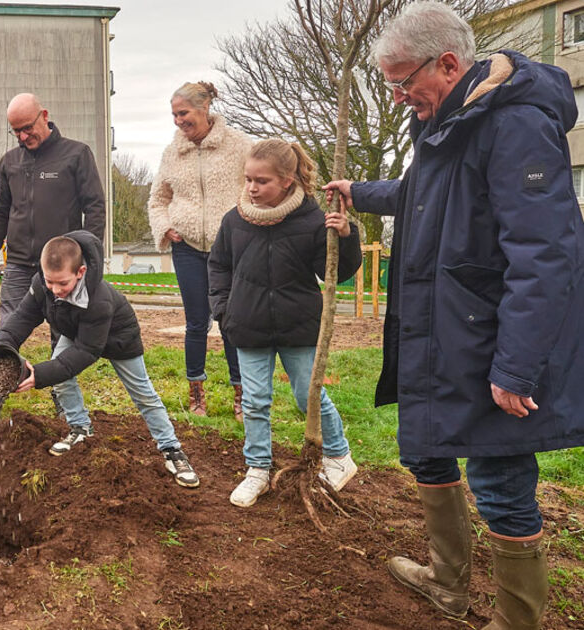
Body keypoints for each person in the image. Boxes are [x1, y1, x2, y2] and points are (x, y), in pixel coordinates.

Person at [322, 3, 584, 627]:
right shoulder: (450, 121)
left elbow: (546, 255)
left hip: (488, 337)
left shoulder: (514, 123)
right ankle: (448, 583)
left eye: (402, 82)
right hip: (439, 331)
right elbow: (427, 197)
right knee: (428, 451)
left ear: (447, 64)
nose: (394, 97)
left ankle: (517, 620)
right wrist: (360, 193)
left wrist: (517, 367)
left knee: (497, 480)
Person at [209, 140, 361, 507]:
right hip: (248, 326)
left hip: (298, 326)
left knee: (307, 395)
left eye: (262, 181)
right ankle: (258, 469)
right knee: (256, 400)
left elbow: (337, 273)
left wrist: (346, 236)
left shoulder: (312, 221)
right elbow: (218, 266)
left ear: (288, 181)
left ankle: (339, 457)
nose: (252, 188)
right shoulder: (234, 221)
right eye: (248, 180)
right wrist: (224, 312)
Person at [0, 231, 200, 489]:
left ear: (80, 272)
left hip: (118, 338)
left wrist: (40, 375)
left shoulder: (98, 299)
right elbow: (21, 319)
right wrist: (1, 347)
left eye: (63, 284)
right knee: (61, 379)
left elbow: (87, 352)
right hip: (77, 333)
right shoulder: (40, 285)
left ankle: (172, 450)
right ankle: (80, 429)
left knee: (143, 394)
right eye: (50, 282)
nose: (55, 291)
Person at [0, 93, 105, 417]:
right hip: (19, 264)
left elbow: (96, 208)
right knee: (7, 331)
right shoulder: (10, 162)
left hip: (60, 267)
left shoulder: (76, 155)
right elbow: (1, 211)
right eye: (15, 131)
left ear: (44, 115)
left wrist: (89, 257)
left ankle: (65, 411)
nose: (22, 136)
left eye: (27, 128)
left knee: (61, 340)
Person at [148, 81, 251, 419]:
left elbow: (255, 186)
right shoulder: (172, 152)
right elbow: (158, 199)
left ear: (204, 108)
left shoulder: (238, 146)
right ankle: (197, 395)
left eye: (184, 113)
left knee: (231, 321)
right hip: (188, 248)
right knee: (196, 323)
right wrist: (166, 228)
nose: (178, 120)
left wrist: (246, 224)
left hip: (230, 248)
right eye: (174, 114)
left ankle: (241, 396)